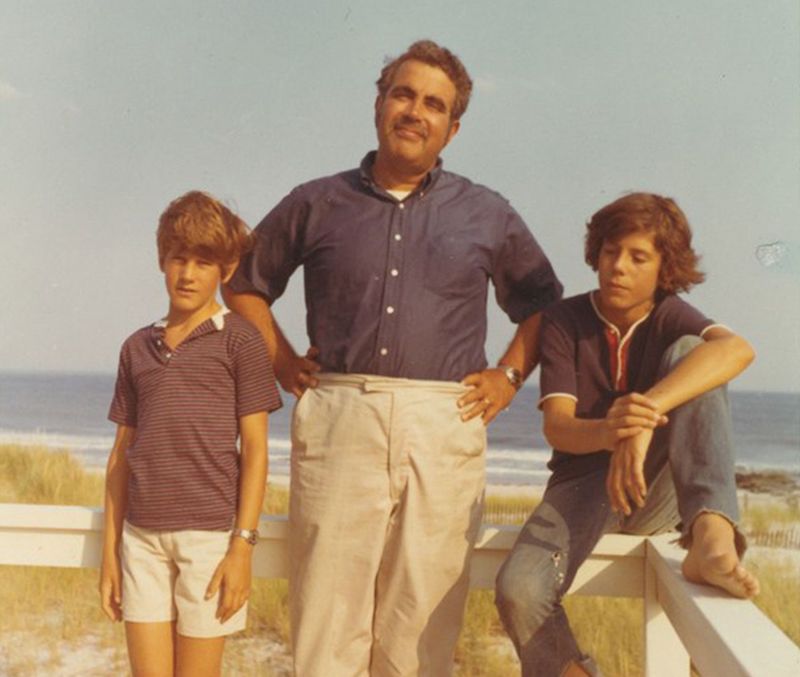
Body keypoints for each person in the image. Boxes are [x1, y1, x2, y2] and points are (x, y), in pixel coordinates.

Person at [223, 40, 562, 676]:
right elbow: (243, 285)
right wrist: (283, 361)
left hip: (444, 423)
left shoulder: (487, 212)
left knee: (421, 623)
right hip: (340, 415)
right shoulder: (315, 201)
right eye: (403, 94)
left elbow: (544, 304)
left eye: (434, 104)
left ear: (452, 128)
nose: (415, 111)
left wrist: (510, 374)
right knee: (327, 621)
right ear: (379, 104)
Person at [494, 192, 760, 677]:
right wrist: (613, 432)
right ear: (597, 253)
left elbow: (737, 350)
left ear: (665, 268)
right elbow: (559, 427)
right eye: (612, 251)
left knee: (692, 352)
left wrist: (644, 413)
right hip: (583, 487)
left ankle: (712, 532)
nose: (619, 267)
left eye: (639, 257)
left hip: (656, 489)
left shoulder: (668, 314)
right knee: (520, 588)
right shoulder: (563, 321)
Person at [99, 191, 282, 677]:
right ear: (162, 261)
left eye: (204, 262)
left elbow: (258, 450)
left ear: (224, 270)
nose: (188, 273)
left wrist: (242, 546)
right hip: (141, 540)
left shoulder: (241, 341)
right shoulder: (137, 347)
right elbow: (121, 455)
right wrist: (111, 555)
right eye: (179, 258)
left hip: (210, 541)